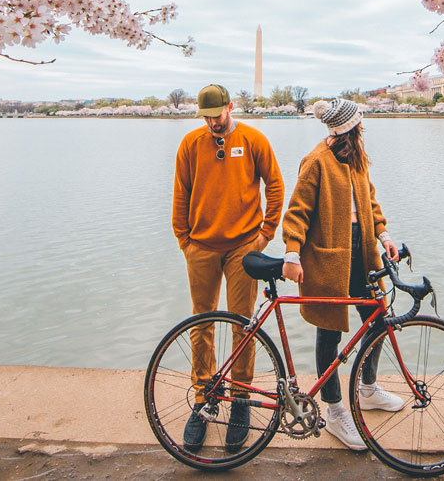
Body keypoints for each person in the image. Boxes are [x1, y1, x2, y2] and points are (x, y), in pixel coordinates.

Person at [280, 98, 406, 451]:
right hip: (327, 257)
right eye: (359, 124)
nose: (362, 128)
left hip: (362, 251)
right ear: (349, 127)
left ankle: (367, 388)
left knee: (378, 322)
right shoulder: (316, 160)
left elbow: (371, 201)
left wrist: (384, 236)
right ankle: (334, 409)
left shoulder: (357, 159)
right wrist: (292, 252)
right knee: (329, 331)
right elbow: (298, 212)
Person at [172, 83, 284, 453]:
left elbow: (276, 187)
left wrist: (265, 235)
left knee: (243, 323)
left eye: (216, 116)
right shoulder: (190, 144)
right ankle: (205, 398)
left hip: (242, 247)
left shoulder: (253, 139)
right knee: (200, 323)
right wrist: (184, 240)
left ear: (230, 107)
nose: (212, 124)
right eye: (205, 118)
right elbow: (181, 193)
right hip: (201, 247)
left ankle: (240, 401)